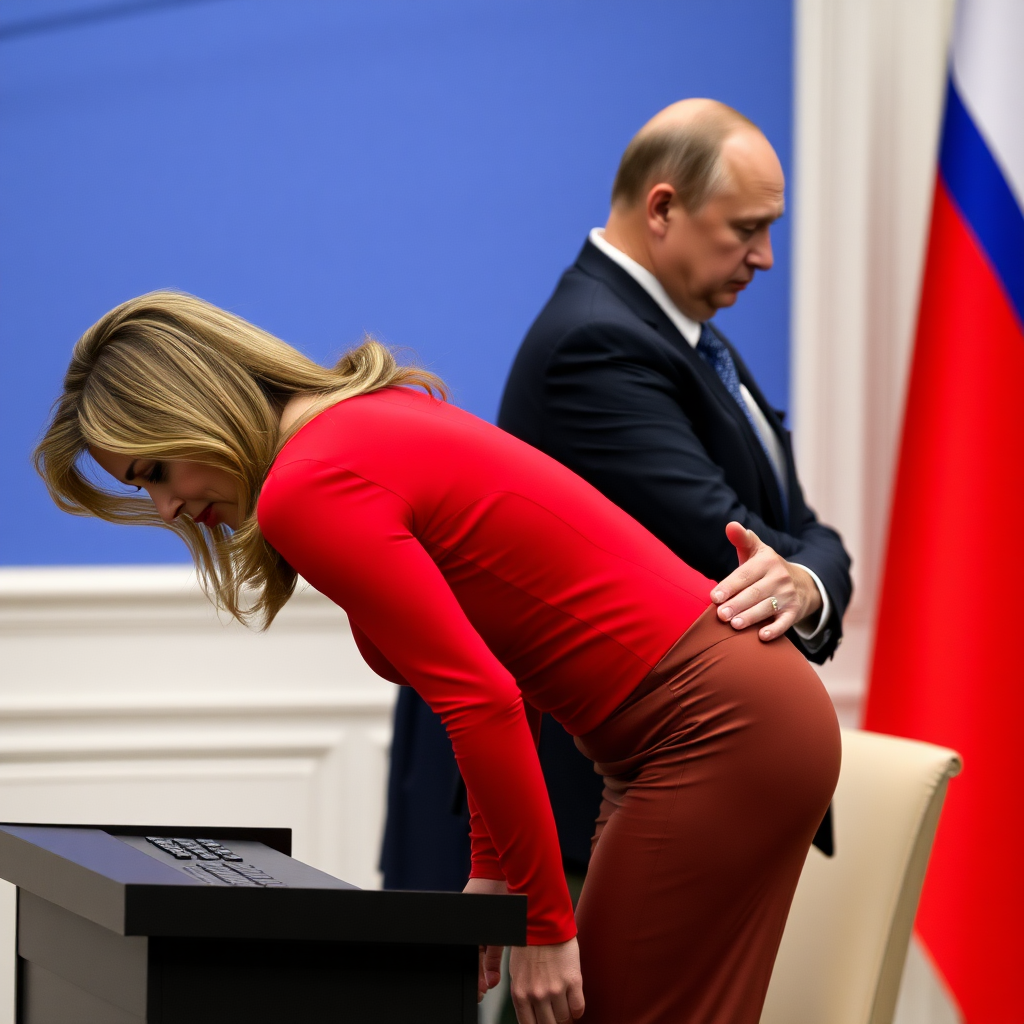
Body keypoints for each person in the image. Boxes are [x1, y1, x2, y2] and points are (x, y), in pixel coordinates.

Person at [35, 292, 840, 1024]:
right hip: (717, 722)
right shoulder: (359, 420)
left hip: (711, 729)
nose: (168, 507)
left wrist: (544, 922)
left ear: (193, 407)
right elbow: (496, 674)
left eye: (155, 472)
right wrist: (495, 873)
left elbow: (481, 700)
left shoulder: (305, 487)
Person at [388, 99, 852, 881]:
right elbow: (729, 544)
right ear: (663, 207)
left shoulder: (679, 331)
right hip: (574, 809)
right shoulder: (597, 343)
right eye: (745, 227)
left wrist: (805, 576)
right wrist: (806, 563)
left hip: (631, 791)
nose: (766, 255)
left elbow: (801, 530)